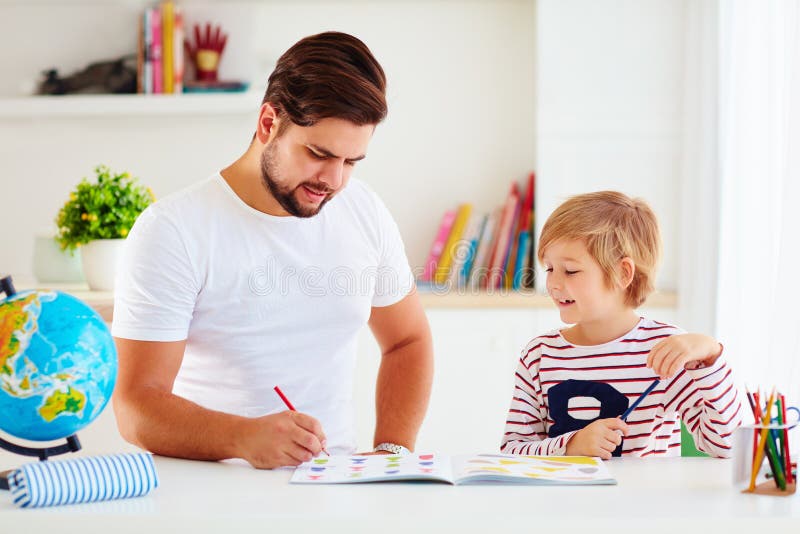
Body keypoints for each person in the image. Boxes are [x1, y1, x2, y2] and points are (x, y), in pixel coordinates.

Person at [111, 32, 434, 469]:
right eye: (319, 154)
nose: (334, 181)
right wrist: (242, 437)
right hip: (212, 490)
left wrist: (392, 452)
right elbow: (136, 408)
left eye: (351, 162)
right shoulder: (173, 231)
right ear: (268, 123)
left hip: (335, 485)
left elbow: (407, 341)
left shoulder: (364, 212)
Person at [501, 191, 741, 459]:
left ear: (622, 273)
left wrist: (711, 356)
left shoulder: (668, 350)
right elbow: (513, 452)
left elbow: (727, 445)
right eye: (549, 269)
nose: (554, 283)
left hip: (644, 501)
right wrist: (572, 446)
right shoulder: (539, 355)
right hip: (560, 502)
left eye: (570, 270)